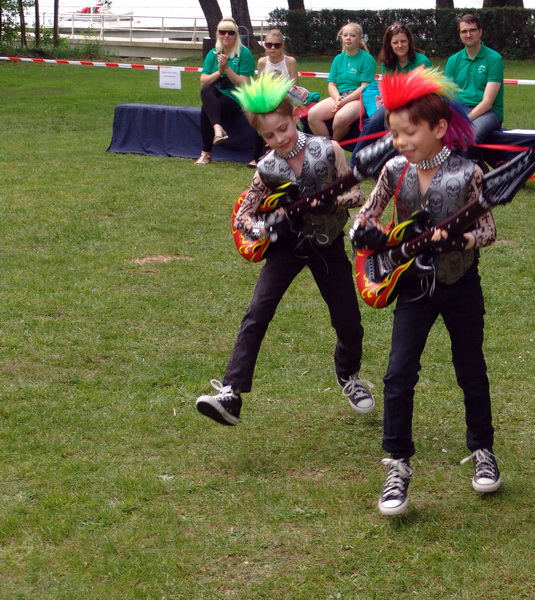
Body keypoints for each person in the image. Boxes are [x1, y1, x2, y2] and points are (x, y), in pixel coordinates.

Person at [351, 69, 501, 516]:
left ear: (438, 128)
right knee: (398, 374)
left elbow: (488, 230)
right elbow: (366, 214)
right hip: (413, 287)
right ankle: (397, 464)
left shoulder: (468, 173)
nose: (399, 141)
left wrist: (459, 240)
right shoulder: (394, 170)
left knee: (470, 369)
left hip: (460, 284)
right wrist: (366, 233)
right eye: (394, 133)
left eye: (408, 132)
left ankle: (483, 450)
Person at [195, 73, 376, 426]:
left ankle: (349, 375)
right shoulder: (267, 168)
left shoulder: (329, 149)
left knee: (349, 323)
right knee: (257, 313)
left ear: (295, 116)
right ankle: (231, 392)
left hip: (327, 244)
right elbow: (243, 216)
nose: (279, 139)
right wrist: (263, 227)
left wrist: (330, 202)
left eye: (283, 128)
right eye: (268, 135)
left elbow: (356, 194)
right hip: (287, 246)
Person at [349, 23, 432, 166]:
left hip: (418, 104)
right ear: (390, 44)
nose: (400, 45)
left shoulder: (422, 61)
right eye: (395, 42)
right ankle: (353, 163)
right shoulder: (387, 63)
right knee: (372, 122)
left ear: (409, 42)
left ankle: (395, 164)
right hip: (395, 103)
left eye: (403, 41)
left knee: (393, 126)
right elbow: (388, 88)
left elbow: (424, 91)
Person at [195, 17, 256, 166]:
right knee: (206, 91)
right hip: (216, 94)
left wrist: (227, 68)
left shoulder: (244, 54)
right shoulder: (213, 53)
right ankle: (218, 129)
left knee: (207, 109)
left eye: (230, 32)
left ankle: (206, 153)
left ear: (236, 35)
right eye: (222, 32)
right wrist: (219, 72)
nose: (226, 35)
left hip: (236, 97)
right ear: (217, 34)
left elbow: (243, 84)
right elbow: (203, 81)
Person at [307, 23, 376, 141]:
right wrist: (337, 98)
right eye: (345, 35)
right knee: (313, 115)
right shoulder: (338, 58)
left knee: (340, 118)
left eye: (352, 35)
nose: (348, 38)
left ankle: (334, 144)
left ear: (360, 38)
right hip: (339, 96)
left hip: (358, 98)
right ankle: (327, 147)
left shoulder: (367, 59)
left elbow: (364, 86)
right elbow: (332, 84)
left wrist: (344, 101)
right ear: (341, 38)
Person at [444, 14, 504, 144]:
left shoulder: (494, 59)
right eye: (464, 31)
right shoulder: (453, 61)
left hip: (489, 112)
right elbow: (449, 97)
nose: (468, 34)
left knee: (469, 136)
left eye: (472, 30)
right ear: (460, 35)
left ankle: (472, 160)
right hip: (460, 109)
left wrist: (464, 120)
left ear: (480, 32)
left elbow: (488, 102)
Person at [250, 29, 300, 168]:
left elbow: (295, 87)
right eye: (269, 45)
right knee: (258, 116)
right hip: (268, 100)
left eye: (276, 45)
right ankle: (256, 156)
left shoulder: (290, 62)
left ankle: (273, 150)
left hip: (287, 100)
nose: (272, 48)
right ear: (264, 46)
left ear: (282, 46)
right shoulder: (262, 62)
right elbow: (260, 86)